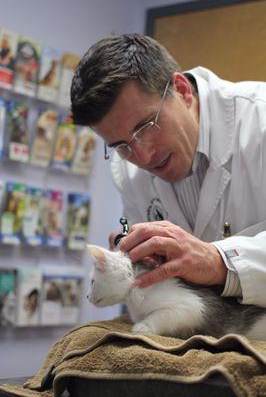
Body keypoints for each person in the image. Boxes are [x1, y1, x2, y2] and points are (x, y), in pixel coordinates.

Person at [71, 34, 266, 308]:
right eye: (120, 144)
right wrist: (140, 262)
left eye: (146, 126)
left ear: (182, 90)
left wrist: (218, 261)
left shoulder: (260, 121)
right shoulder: (126, 168)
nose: (142, 156)